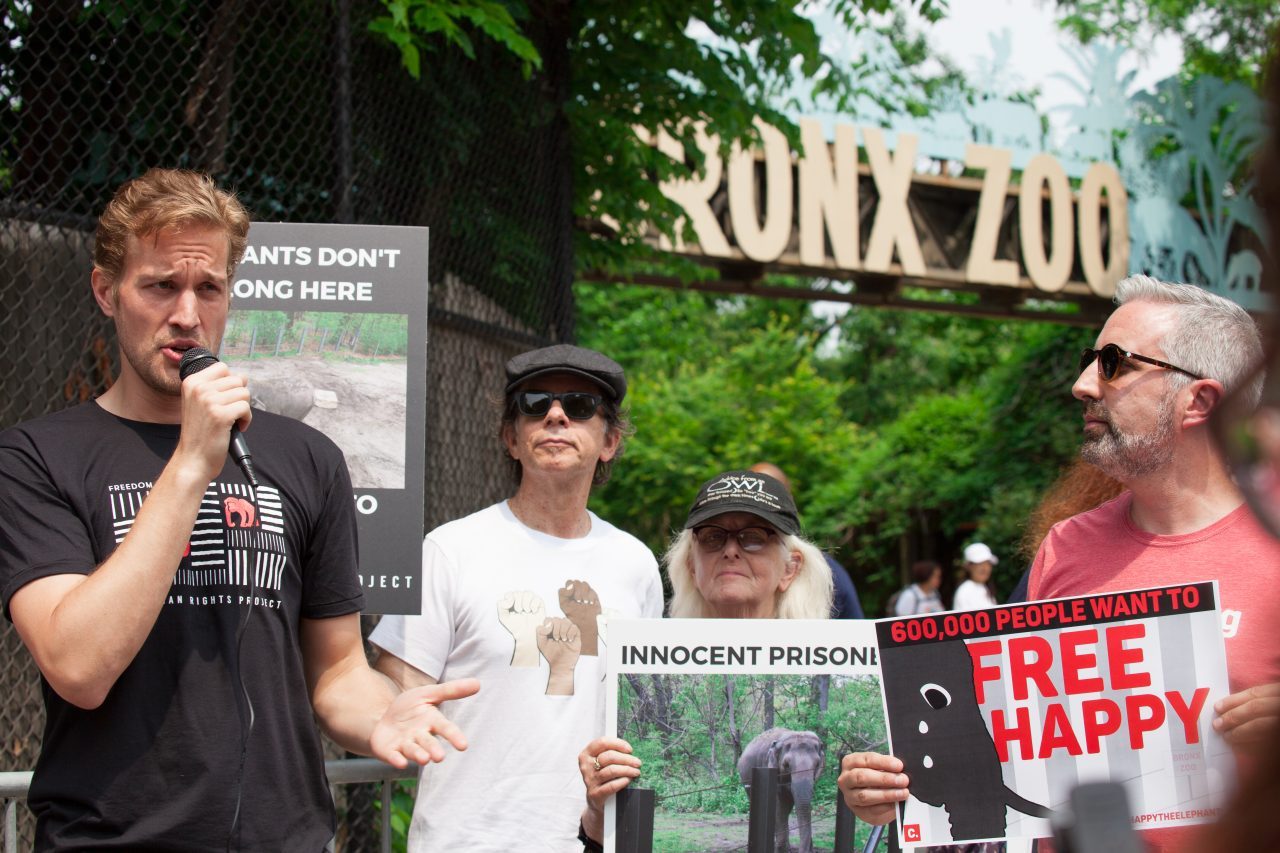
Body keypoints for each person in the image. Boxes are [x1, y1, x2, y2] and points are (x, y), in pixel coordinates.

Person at [0, 168, 477, 850]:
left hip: (283, 836)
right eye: (160, 285)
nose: (188, 315)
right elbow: (78, 665)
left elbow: (336, 668)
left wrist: (380, 714)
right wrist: (192, 463)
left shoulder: (306, 457)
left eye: (209, 288)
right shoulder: (36, 458)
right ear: (107, 291)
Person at [838, 275, 1280, 853]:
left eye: (1114, 364)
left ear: (1199, 401)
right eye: (1089, 360)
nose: (1081, 385)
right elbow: (990, 738)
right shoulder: (1064, 548)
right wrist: (888, 787)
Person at [369, 344, 664, 852]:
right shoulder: (448, 550)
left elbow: (644, 713)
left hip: (594, 840)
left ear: (610, 441)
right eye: (534, 403)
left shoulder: (635, 564)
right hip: (465, 840)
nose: (555, 415)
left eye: (579, 406)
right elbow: (398, 700)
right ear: (511, 438)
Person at [578, 468, 834, 848]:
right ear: (691, 568)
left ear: (790, 569)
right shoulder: (626, 664)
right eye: (713, 537)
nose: (730, 550)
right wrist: (600, 813)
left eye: (753, 538)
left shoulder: (836, 652)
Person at [750, 461, 865, 618]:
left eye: (768, 493)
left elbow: (855, 634)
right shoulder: (720, 566)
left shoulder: (826, 574)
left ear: (792, 567)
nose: (755, 497)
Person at [951, 542, 998, 611]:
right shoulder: (965, 591)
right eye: (980, 564)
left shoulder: (985, 588)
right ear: (968, 566)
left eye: (988, 563)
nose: (985, 568)